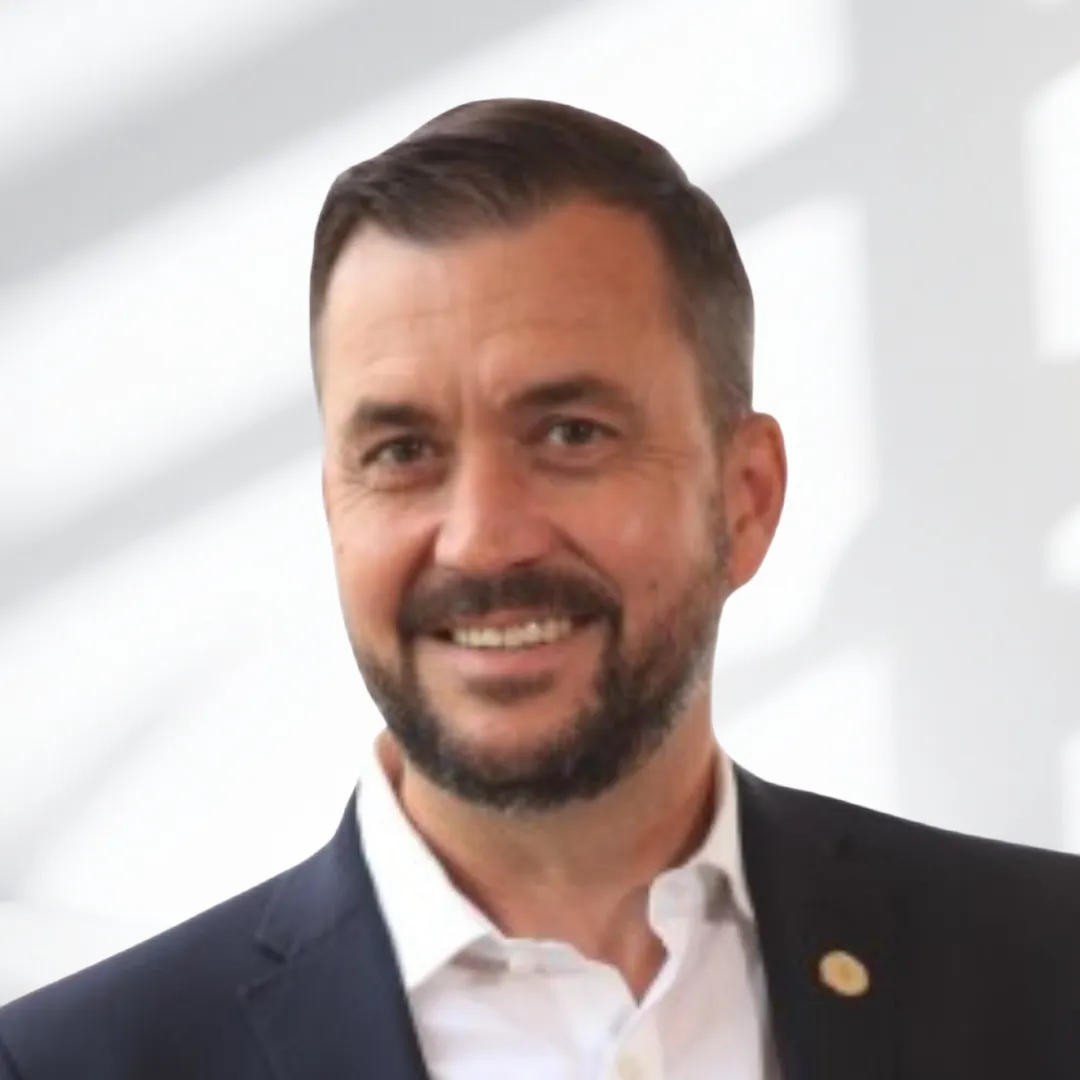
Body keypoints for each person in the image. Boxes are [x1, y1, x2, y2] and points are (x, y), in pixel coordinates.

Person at [2, 97, 1079, 1080]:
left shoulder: (1049, 970)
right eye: (402, 452)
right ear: (336, 510)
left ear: (744, 499)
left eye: (571, 434)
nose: (482, 540)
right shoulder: (67, 1067)